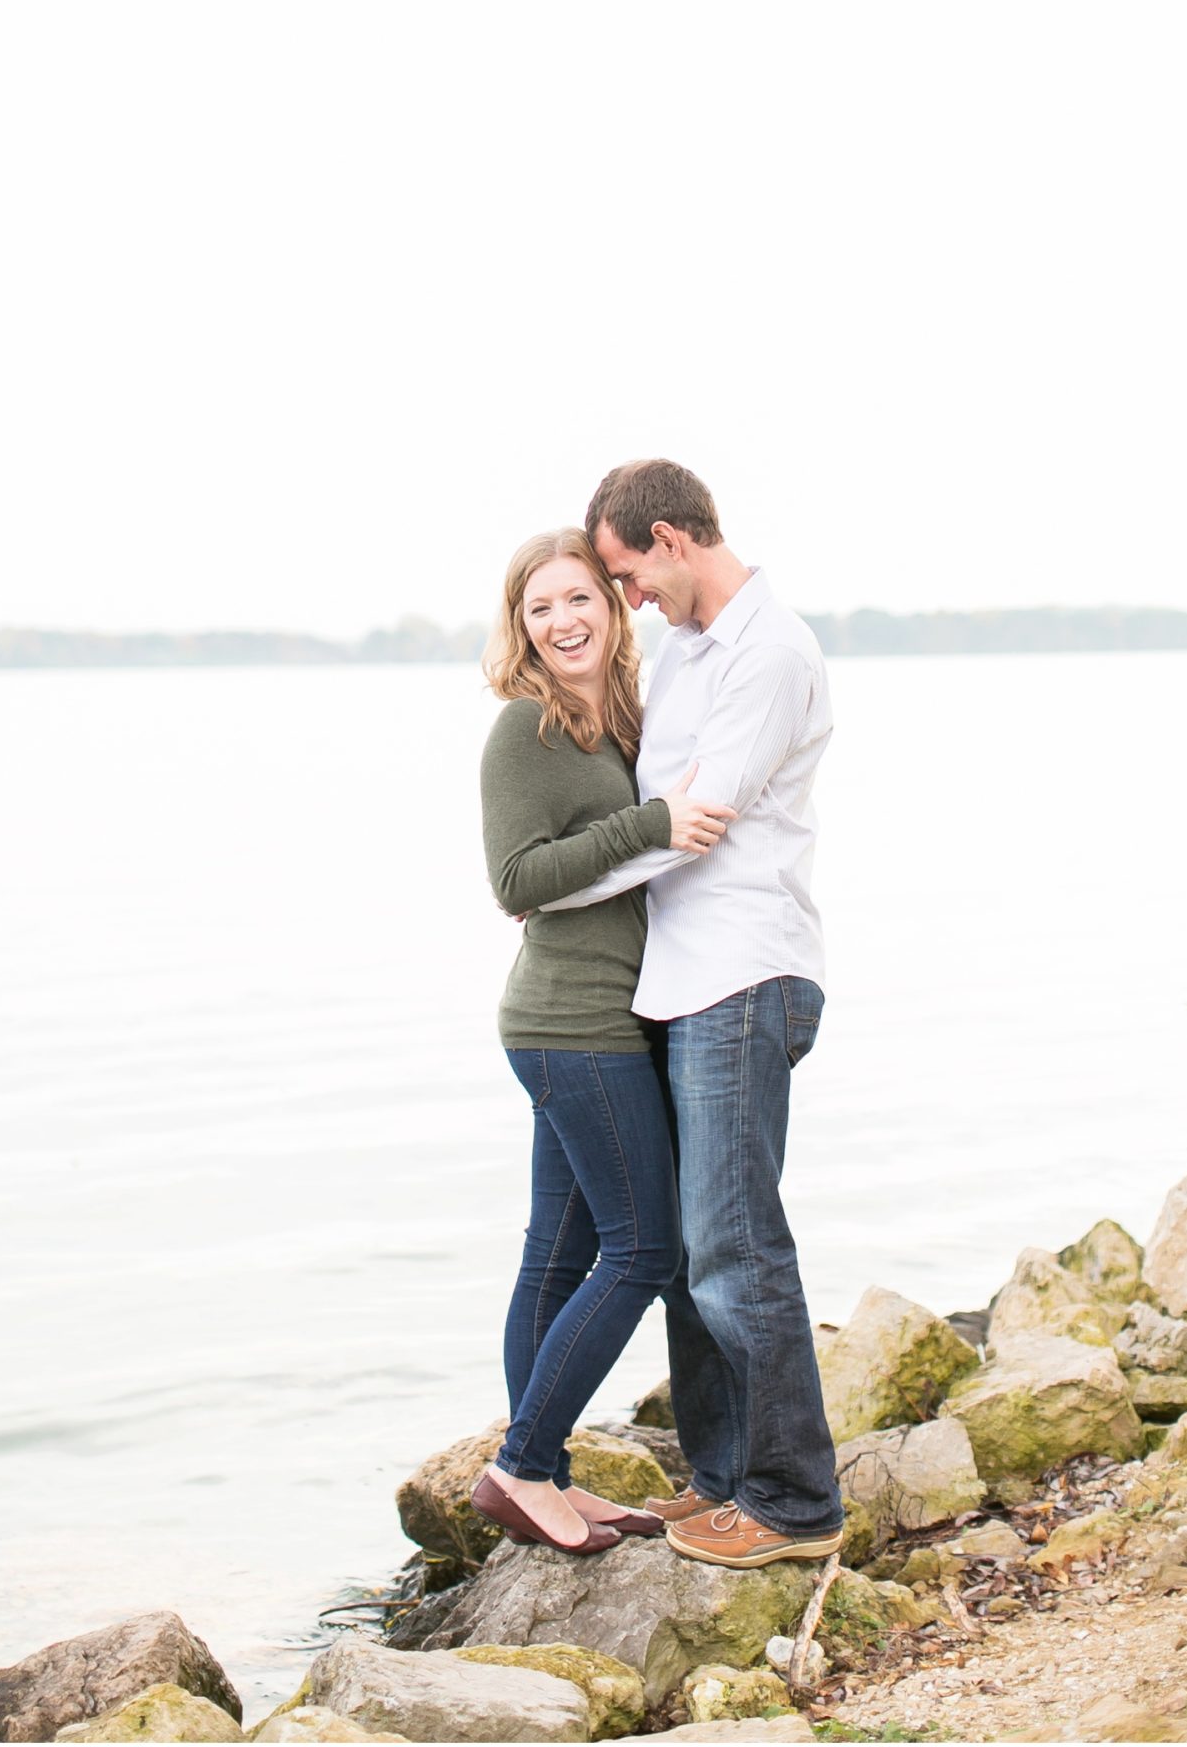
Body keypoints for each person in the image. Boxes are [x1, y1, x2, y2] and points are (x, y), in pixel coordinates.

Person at [538, 458, 844, 1569]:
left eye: (622, 577)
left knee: (734, 1243)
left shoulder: (768, 651)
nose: (627, 603)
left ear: (668, 538)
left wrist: (549, 879)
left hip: (744, 974)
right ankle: (720, 1478)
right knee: (683, 1254)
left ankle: (793, 1503)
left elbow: (693, 817)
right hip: (677, 978)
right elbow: (657, 815)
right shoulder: (683, 652)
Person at [472, 527, 738, 1556]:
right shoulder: (525, 732)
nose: (563, 620)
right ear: (521, 626)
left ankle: (549, 1481)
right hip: (569, 1023)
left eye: (578, 597)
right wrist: (652, 823)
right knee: (643, 1248)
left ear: (611, 604)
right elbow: (514, 881)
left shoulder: (618, 718)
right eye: (540, 607)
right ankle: (523, 1465)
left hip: (605, 1020)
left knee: (558, 1254)